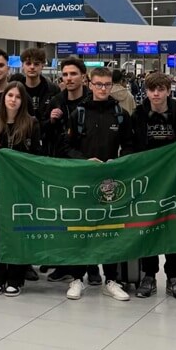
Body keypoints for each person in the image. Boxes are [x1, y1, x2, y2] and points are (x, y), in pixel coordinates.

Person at [129, 73, 176, 300]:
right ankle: (149, 275)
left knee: (174, 226)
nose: (156, 94)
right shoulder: (138, 115)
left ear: (168, 91)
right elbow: (130, 146)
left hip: (175, 180)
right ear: (146, 91)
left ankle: (173, 276)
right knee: (147, 226)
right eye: (152, 89)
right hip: (147, 181)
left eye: (160, 89)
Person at [61, 67, 135, 302]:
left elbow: (130, 145)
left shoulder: (121, 114)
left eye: (107, 84)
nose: (103, 89)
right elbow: (67, 147)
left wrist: (119, 161)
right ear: (90, 84)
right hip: (83, 181)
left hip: (111, 182)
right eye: (98, 84)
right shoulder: (79, 114)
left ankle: (111, 279)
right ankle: (77, 278)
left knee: (109, 231)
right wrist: (84, 161)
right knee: (81, 230)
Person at [0, 82, 41, 297]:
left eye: (18, 97)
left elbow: (37, 156)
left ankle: (15, 278)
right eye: (10, 95)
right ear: (4, 98)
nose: (13, 100)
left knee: (18, 234)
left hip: (20, 189)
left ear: (23, 101)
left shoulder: (31, 124)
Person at [38, 57, 89, 283]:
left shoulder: (91, 100)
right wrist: (50, 121)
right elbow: (41, 131)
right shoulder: (56, 101)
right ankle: (63, 264)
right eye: (65, 74)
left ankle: (90, 266)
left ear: (83, 76)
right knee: (62, 218)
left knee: (86, 218)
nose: (69, 78)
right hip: (59, 166)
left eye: (73, 74)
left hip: (86, 165)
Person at [12, 47, 59, 116]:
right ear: (22, 66)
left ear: (42, 66)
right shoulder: (15, 89)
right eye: (28, 64)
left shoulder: (53, 90)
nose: (32, 67)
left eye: (36, 64)